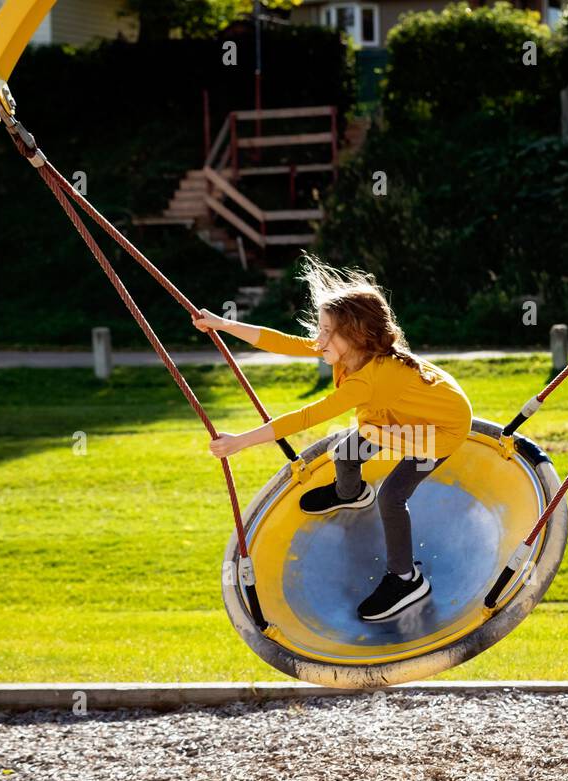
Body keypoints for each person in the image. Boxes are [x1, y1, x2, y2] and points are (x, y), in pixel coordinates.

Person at [192, 255, 473, 621]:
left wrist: (239, 442)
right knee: (345, 453)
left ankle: (406, 578)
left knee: (391, 495)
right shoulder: (350, 353)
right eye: (320, 329)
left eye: (326, 331)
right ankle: (351, 494)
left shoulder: (367, 380)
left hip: (435, 432)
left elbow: (307, 416)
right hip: (400, 415)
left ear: (354, 335)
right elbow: (284, 343)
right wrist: (221, 324)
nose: (317, 338)